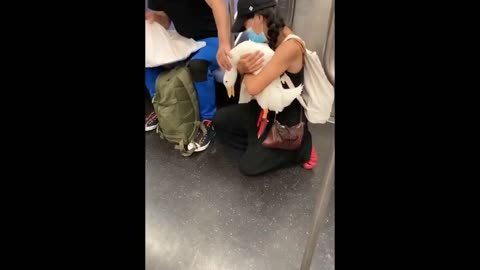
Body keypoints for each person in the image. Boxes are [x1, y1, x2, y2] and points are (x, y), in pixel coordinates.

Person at [213, 0, 318, 176]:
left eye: (246, 25)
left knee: (248, 167)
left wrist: (243, 70)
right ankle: (260, 142)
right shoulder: (270, 36)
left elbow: (253, 87)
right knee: (220, 120)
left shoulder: (290, 46)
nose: (246, 31)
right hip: (264, 109)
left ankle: (301, 148)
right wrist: (240, 68)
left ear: (259, 18)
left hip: (285, 119)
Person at [145, 0, 232, 152]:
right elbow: (165, 20)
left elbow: (218, 5)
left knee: (198, 65)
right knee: (147, 58)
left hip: (212, 39)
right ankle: (162, 106)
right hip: (184, 40)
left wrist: (224, 43)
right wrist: (154, 17)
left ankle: (208, 120)